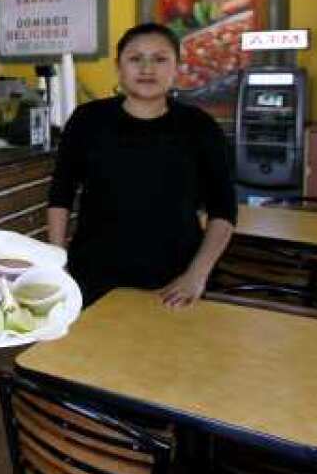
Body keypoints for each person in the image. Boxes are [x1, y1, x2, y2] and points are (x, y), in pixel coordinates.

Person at [46, 22, 236, 307]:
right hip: (93, 274)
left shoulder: (200, 127)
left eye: (160, 59)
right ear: (119, 67)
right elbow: (61, 193)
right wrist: (56, 262)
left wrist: (197, 274)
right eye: (135, 59)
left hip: (175, 279)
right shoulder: (88, 120)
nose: (147, 69)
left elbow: (224, 209)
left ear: (177, 68)